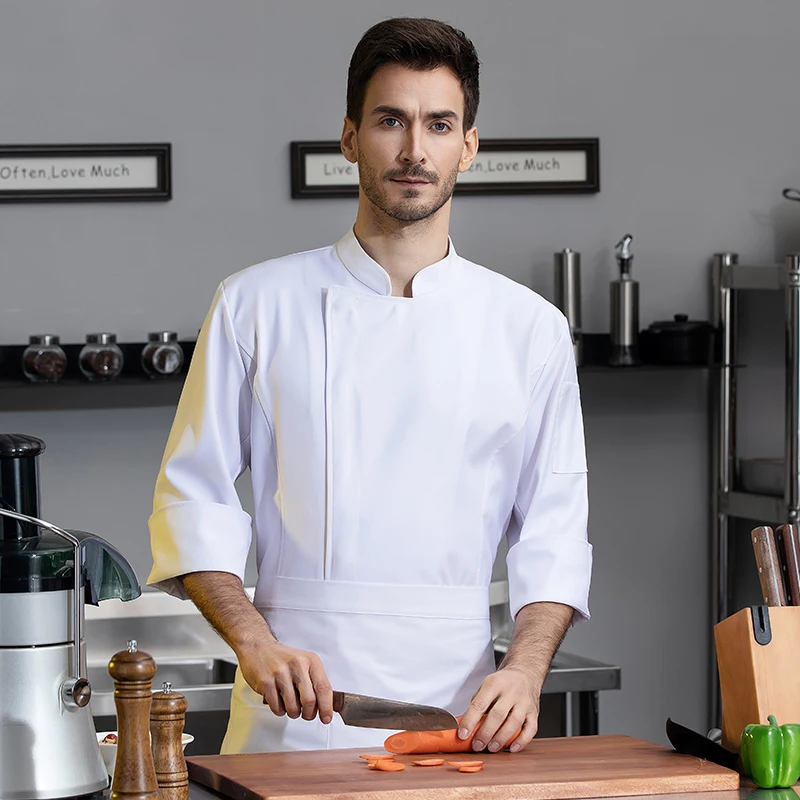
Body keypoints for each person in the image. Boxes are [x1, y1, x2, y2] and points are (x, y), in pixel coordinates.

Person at [148, 16, 591, 755]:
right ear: (350, 137)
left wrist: (524, 671)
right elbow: (191, 497)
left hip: (461, 720)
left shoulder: (530, 329)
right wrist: (254, 644)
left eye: (439, 125)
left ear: (469, 146)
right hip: (291, 720)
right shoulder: (255, 305)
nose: (415, 150)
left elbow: (554, 529)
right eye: (391, 121)